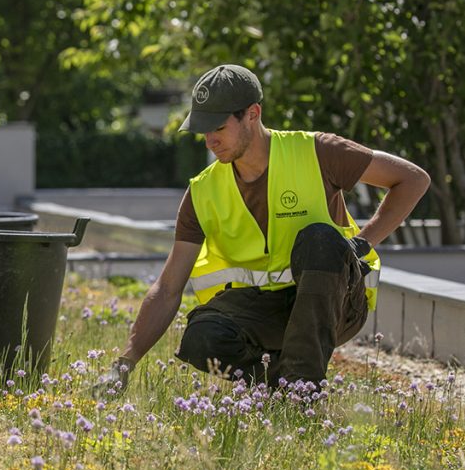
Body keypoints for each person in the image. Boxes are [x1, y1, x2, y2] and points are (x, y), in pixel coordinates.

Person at [98, 64, 430, 390]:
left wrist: (360, 244)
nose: (209, 141)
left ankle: (302, 390)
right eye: (203, 130)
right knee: (202, 336)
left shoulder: (318, 152)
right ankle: (281, 386)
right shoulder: (202, 192)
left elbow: (413, 179)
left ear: (253, 114)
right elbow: (168, 288)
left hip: (337, 304)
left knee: (320, 239)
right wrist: (123, 365)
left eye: (218, 128)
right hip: (265, 312)